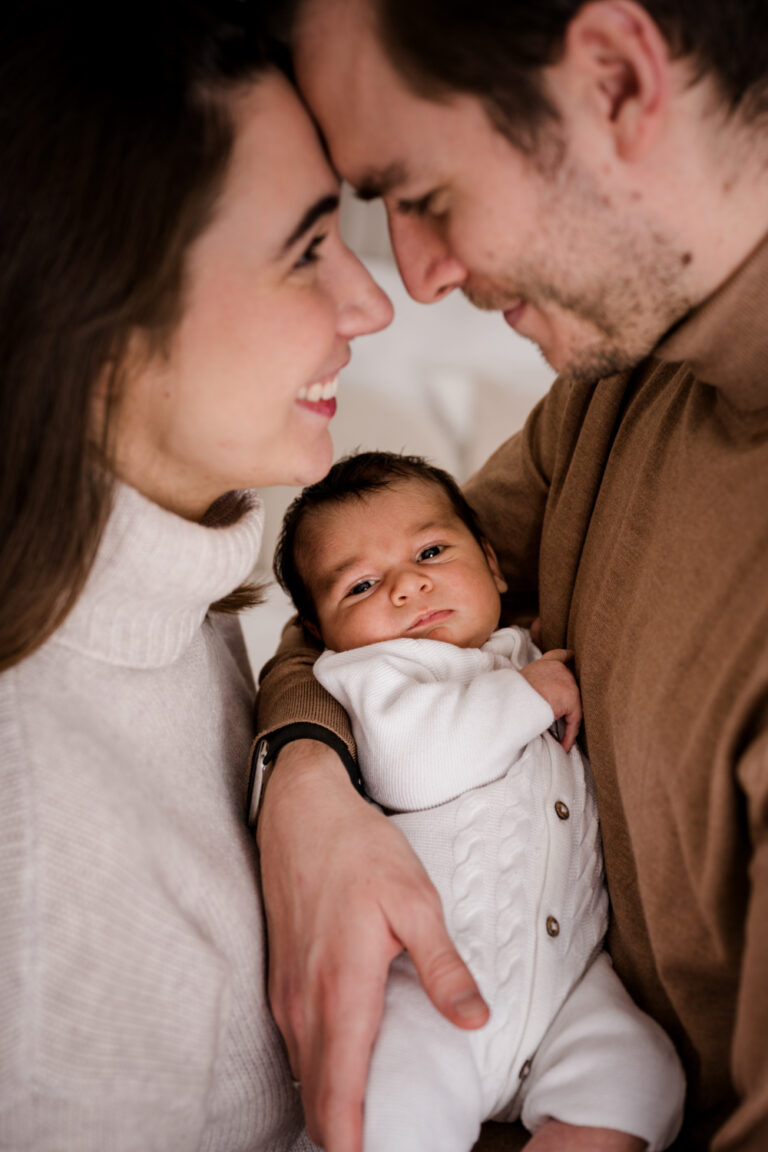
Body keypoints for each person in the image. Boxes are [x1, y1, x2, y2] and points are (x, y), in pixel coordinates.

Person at [252, 1, 768, 1150]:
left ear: (619, 80)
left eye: (423, 196)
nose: (417, 280)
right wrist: (305, 784)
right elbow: (353, 613)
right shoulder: (619, 380)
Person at [0, 4, 393, 1149]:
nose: (372, 302)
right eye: (307, 250)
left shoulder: (169, 601)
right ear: (101, 320)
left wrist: (303, 751)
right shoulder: (41, 871)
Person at [267, 449, 685, 1152]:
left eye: (431, 550)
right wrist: (529, 695)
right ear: (319, 636)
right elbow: (414, 767)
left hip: (570, 984)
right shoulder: (375, 675)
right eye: (362, 585)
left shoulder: (522, 652)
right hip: (425, 992)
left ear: (493, 565)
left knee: (642, 1077)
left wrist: (531, 672)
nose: (408, 586)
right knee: (391, 1115)